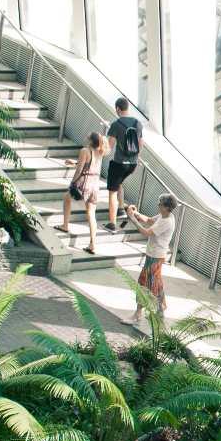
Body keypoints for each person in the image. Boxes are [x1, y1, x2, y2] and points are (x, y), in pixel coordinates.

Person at [124, 194, 178, 325]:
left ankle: (137, 315)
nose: (158, 205)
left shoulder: (167, 221)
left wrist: (132, 219)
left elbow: (146, 232)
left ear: (166, 207)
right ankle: (160, 310)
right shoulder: (165, 216)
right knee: (156, 285)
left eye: (160, 204)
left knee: (143, 283)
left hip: (155, 257)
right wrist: (136, 213)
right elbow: (149, 220)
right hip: (155, 256)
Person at [103, 98, 143, 233]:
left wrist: (103, 139)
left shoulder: (116, 124)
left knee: (112, 192)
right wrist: (135, 159)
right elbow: (140, 144)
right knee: (119, 183)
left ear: (118, 109)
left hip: (119, 163)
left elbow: (109, 146)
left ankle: (112, 223)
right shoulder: (138, 123)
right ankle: (121, 209)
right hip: (132, 164)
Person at [61, 132, 102, 256]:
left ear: (90, 140)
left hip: (84, 183)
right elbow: (89, 165)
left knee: (67, 198)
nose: (86, 137)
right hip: (94, 184)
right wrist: (74, 163)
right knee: (91, 214)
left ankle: (65, 225)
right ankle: (93, 244)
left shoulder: (85, 150)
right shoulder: (99, 151)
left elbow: (80, 169)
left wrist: (73, 182)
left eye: (87, 137)